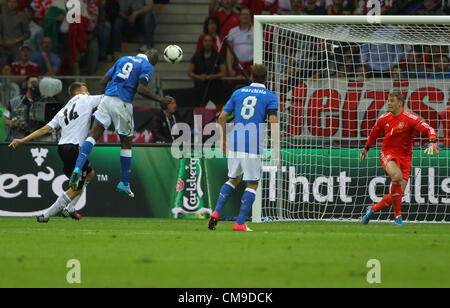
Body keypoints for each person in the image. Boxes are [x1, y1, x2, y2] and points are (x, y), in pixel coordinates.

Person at [68, 48, 173, 198]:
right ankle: (124, 182)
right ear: (152, 60)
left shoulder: (123, 59)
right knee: (126, 143)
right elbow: (141, 89)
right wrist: (160, 99)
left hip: (107, 98)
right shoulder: (147, 65)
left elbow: (103, 80)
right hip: (123, 102)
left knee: (93, 135)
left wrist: (107, 98)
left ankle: (78, 167)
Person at [8, 82, 102, 223]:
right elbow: (108, 97)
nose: (88, 93)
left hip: (63, 147)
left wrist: (23, 140)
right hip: (74, 148)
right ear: (79, 92)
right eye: (86, 90)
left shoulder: (63, 110)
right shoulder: (85, 99)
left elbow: (44, 129)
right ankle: (46, 215)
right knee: (76, 188)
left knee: (90, 174)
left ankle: (70, 207)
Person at [208, 64, 279, 232]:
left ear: (251, 77)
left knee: (233, 179)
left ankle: (217, 212)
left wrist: (223, 140)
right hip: (253, 144)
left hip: (235, 142)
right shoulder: (270, 96)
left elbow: (222, 118)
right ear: (267, 77)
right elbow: (273, 121)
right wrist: (276, 146)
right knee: (252, 184)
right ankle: (240, 222)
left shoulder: (238, 93)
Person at [360, 92, 440, 226]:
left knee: (396, 194)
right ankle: (398, 217)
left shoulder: (410, 118)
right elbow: (374, 133)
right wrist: (366, 148)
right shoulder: (383, 118)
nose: (389, 103)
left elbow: (428, 128)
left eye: (392, 101)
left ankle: (372, 209)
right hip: (388, 154)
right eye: (388, 100)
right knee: (396, 176)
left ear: (400, 103)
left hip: (406, 158)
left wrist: (432, 142)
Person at [189, 33, 227, 106]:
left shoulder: (218, 56)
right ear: (203, 42)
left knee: (215, 111)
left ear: (213, 43)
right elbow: (190, 72)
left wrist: (209, 77)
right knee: (199, 112)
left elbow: (223, 72)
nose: (207, 43)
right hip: (199, 89)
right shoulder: (197, 55)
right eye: (206, 41)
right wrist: (199, 77)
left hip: (215, 89)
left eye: (210, 41)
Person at [4, 74, 40, 141]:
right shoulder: (14, 102)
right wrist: (14, 123)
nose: (34, 85)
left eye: (36, 83)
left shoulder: (41, 102)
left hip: (35, 139)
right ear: (26, 84)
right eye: (32, 82)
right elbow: (6, 121)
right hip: (17, 138)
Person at [0, 0, 30, 66]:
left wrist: (15, 41)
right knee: (4, 71)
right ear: (7, 3)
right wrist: (1, 41)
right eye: (10, 2)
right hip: (4, 49)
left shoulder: (22, 16)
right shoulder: (2, 16)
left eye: (14, 2)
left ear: (17, 4)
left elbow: (27, 34)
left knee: (16, 71)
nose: (11, 4)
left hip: (17, 50)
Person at [226, 7, 254, 79]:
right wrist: (230, 68)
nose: (245, 16)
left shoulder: (255, 30)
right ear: (239, 17)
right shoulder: (233, 31)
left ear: (250, 17)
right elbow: (229, 51)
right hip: (236, 66)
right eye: (243, 14)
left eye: (247, 15)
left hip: (251, 66)